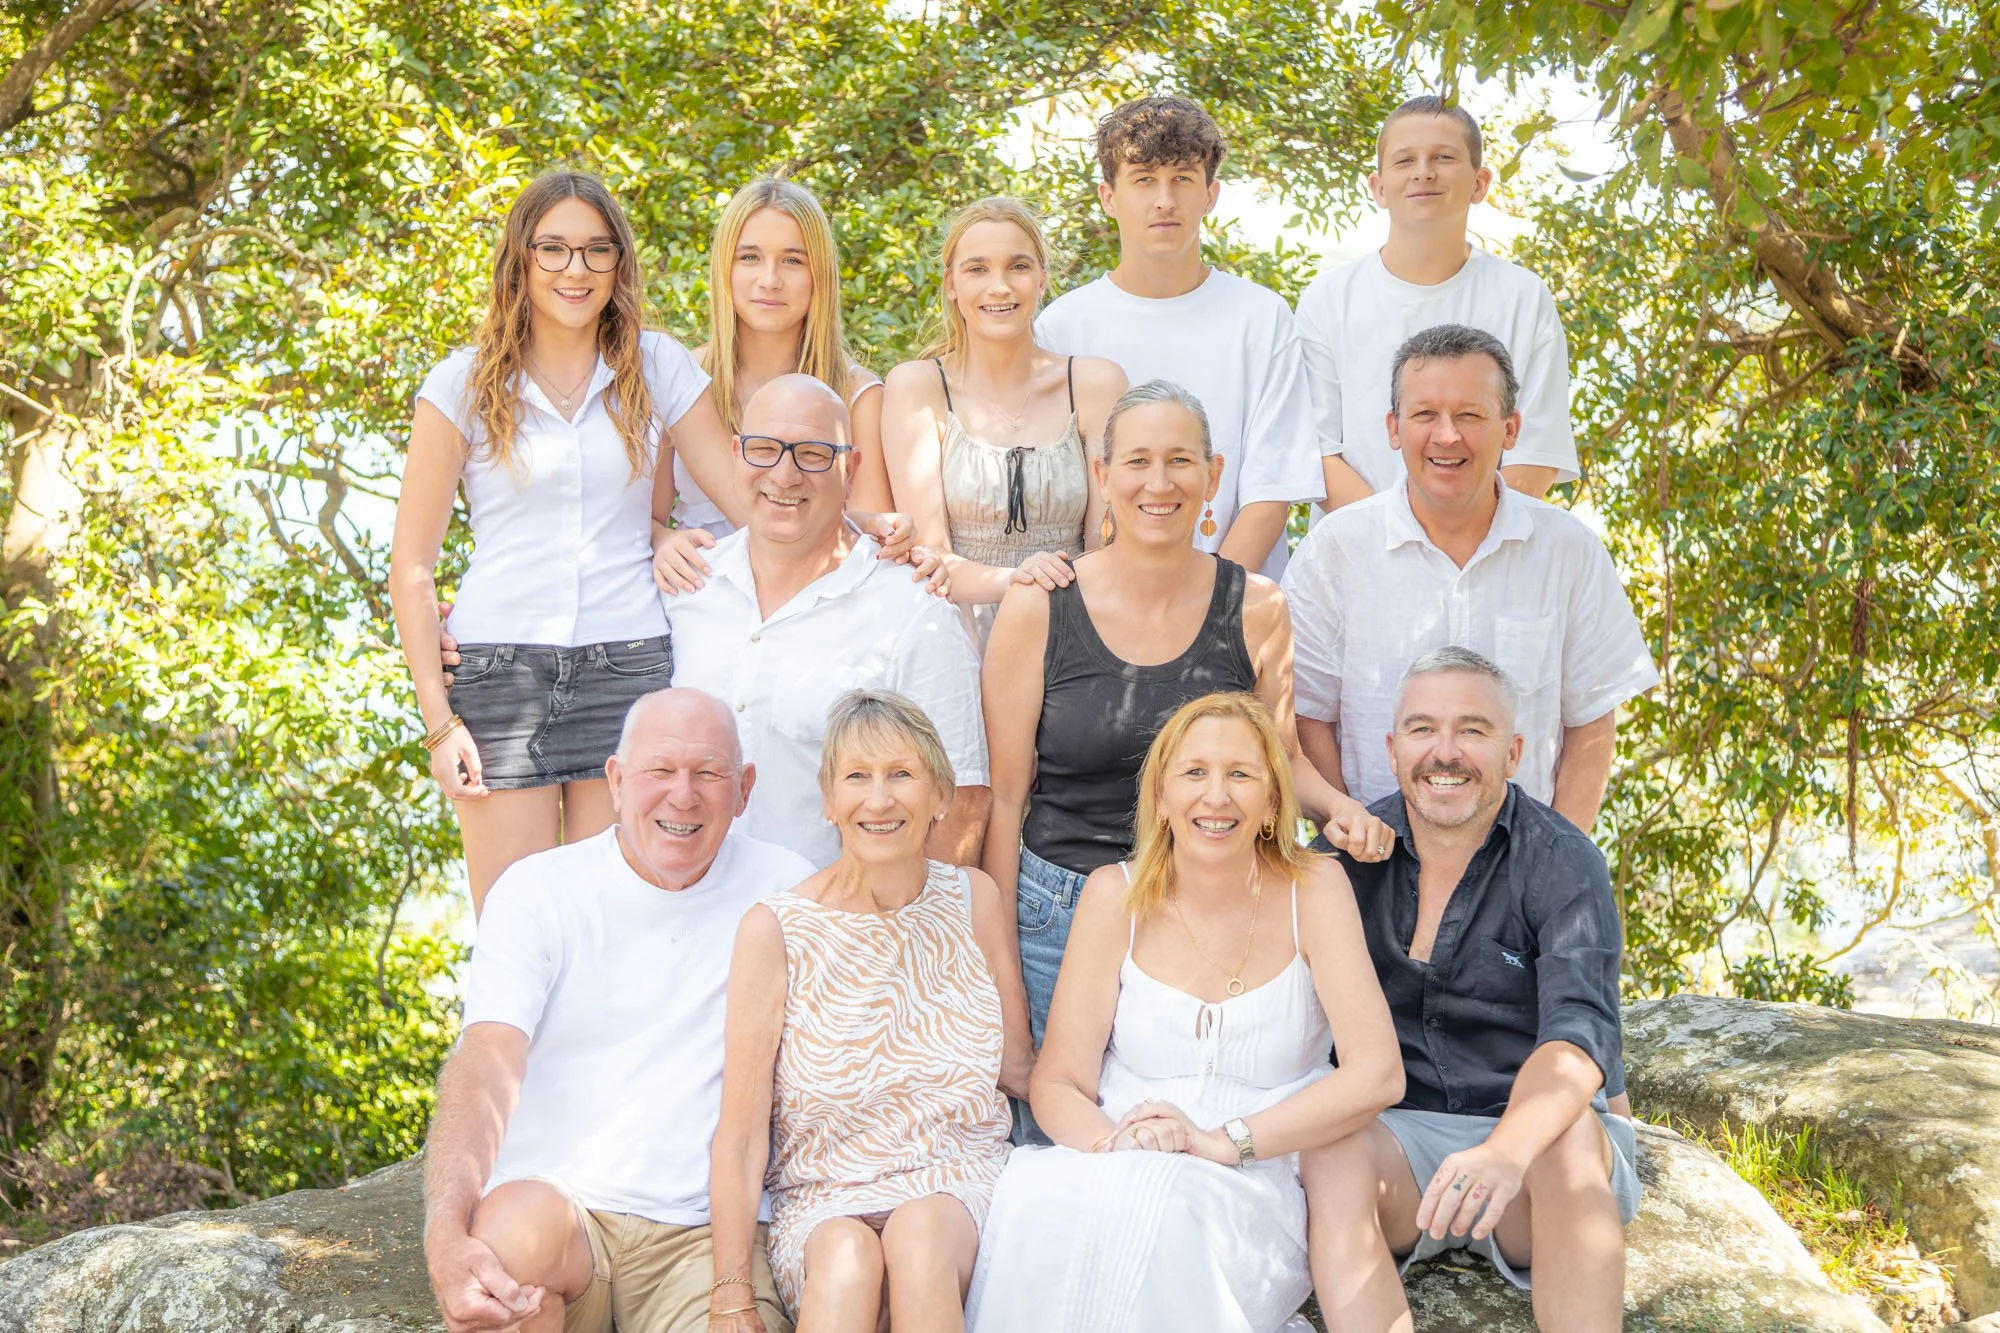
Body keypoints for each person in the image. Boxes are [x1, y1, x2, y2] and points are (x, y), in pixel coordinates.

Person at [965, 692, 1404, 1332]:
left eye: (1241, 774)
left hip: (1253, 1169)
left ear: (1273, 802)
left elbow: (1376, 1075)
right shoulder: (1113, 895)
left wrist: (1226, 1142)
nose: (1216, 796)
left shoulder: (1315, 889)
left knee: (1170, 1217)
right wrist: (1113, 1144)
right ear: (1162, 799)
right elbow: (1058, 1081)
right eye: (1194, 773)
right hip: (1118, 1148)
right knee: (1041, 1210)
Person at [982, 380, 1392, 1045]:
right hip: (1057, 911)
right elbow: (1003, 801)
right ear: (1102, 473)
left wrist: (1337, 807)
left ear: (1212, 475)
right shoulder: (1040, 606)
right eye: (1138, 460)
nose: (1159, 481)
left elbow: (1282, 760)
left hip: (1210, 907)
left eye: (1180, 460)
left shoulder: (1257, 607)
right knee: (1066, 1128)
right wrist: (1001, 975)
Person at [390, 170, 745, 912]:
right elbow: (413, 566)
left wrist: (862, 527)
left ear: (620, 264)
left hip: (629, 669)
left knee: (616, 922)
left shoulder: (657, 366)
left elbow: (749, 496)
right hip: (499, 673)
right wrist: (438, 723)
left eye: (595, 251)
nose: (574, 270)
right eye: (552, 249)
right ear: (520, 259)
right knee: (517, 926)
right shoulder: (459, 385)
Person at [422, 688, 812, 1333]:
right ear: (617, 781)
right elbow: (487, 1058)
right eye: (659, 770)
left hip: (707, 1238)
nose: (682, 796)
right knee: (505, 1264)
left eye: (708, 773)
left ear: (743, 790)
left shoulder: (789, 891)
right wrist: (445, 1232)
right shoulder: (539, 889)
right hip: (566, 1215)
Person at [1299, 649, 1640, 1333]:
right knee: (1329, 1147)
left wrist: (1506, 1149)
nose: (1444, 752)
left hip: (1534, 1144)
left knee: (1569, 1140)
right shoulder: (1342, 862)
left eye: (1473, 731)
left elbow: (1577, 1036)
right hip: (1400, 1142)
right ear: (1394, 750)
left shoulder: (1564, 860)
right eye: (1423, 730)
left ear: (1513, 752)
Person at [708, 691, 1026, 1333]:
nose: (878, 800)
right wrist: (731, 1294)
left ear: (939, 795)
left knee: (919, 1236)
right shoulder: (776, 930)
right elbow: (741, 1137)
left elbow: (1020, 1068)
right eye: (857, 777)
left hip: (959, 1183)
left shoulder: (974, 899)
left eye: (900, 775)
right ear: (829, 800)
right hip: (823, 1203)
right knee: (848, 1258)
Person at [1283, 324, 1658, 835]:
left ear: (1510, 428)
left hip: (1526, 868)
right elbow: (1307, 717)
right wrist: (1352, 836)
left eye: (1470, 415)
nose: (1447, 435)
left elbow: (1590, 722)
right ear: (1393, 428)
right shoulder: (1335, 549)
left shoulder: (1569, 551)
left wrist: (1561, 859)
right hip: (1373, 866)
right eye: (1424, 415)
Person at [665, 374, 989, 868]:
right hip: (695, 923)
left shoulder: (910, 609)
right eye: (764, 449)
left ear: (850, 467)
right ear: (736, 455)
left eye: (812, 454)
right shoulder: (688, 590)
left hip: (834, 931)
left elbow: (960, 799)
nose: (784, 474)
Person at [1035, 95, 1325, 579]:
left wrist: (1204, 609)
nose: (1164, 199)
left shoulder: (1262, 317)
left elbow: (1270, 493)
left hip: (1233, 605)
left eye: (1183, 179)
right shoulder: (1062, 327)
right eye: (1144, 179)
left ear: (1210, 195)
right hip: (1100, 604)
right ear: (1109, 197)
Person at [1295, 95, 1580, 510]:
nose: (1423, 173)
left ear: (1480, 183)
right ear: (1378, 187)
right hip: (1356, 556)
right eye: (1405, 160)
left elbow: (1538, 452)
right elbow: (1317, 452)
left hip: (1488, 556)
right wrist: (1396, 542)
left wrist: (1464, 539)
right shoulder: (1328, 300)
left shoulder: (1522, 296)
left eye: (1443, 157)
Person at [880, 197, 1127, 646]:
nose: (1000, 287)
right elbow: (930, 557)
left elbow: (1105, 545)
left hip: (1077, 627)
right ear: (951, 283)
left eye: (1017, 267)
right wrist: (1016, 581)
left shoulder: (1094, 384)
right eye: (977, 269)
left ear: (1041, 279)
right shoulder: (917, 388)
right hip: (956, 632)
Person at [671, 176, 894, 539]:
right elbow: (636, 522)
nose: (770, 280)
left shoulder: (858, 395)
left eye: (792, 260)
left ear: (818, 274)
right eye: (750, 257)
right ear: (724, 268)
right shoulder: (681, 377)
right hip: (695, 587)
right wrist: (664, 539)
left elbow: (870, 543)